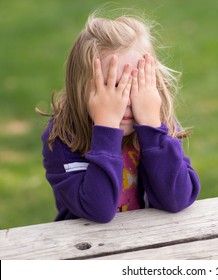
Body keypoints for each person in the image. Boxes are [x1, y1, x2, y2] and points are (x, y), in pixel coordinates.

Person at [39, 12, 201, 223]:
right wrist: (106, 128)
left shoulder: (157, 122)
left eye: (136, 85)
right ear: (80, 88)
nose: (125, 100)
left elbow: (177, 199)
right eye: (111, 86)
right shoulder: (63, 137)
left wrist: (152, 128)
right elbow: (98, 210)